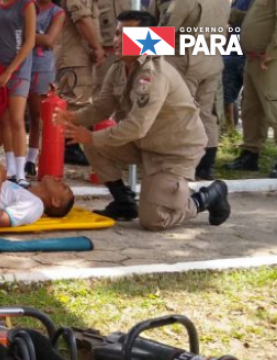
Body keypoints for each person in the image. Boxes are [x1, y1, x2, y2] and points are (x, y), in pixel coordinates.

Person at [56, 11, 231, 231]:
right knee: (92, 144)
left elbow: (136, 126)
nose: (117, 40)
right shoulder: (119, 67)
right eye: (118, 33)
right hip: (145, 144)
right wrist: (73, 117)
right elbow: (102, 107)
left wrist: (90, 135)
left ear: (146, 39)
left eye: (126, 35)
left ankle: (205, 197)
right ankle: (124, 202)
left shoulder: (154, 73)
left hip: (174, 152)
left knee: (154, 220)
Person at [149, 0, 229, 181]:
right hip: (211, 59)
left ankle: (180, 163)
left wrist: (128, 45)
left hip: (186, 61)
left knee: (180, 114)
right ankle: (206, 165)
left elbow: (164, 31)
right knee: (206, 113)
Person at [0, 0, 36, 187]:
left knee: (16, 119)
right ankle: (11, 168)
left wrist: (9, 71)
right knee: (2, 119)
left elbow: (30, 41)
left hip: (18, 70)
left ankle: (21, 173)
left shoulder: (26, 5)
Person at [223, 0, 277, 178]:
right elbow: (261, 19)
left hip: (269, 60)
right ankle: (250, 154)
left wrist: (272, 52)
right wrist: (234, 16)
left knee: (273, 108)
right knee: (251, 109)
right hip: (254, 59)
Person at [53, 0, 103, 166]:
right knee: (75, 102)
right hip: (74, 56)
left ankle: (71, 147)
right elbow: (82, 19)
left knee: (82, 101)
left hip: (81, 55)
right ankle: (69, 148)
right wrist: (97, 47)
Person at [26, 0, 64, 177]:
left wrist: (22, 35)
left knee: (36, 116)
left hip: (42, 67)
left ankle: (30, 160)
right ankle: (11, 160)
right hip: (18, 65)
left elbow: (49, 40)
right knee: (11, 117)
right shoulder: (24, 5)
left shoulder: (57, 12)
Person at [221, 0, 253, 134]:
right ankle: (231, 134)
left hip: (253, 54)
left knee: (254, 100)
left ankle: (251, 140)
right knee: (226, 97)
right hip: (232, 53)